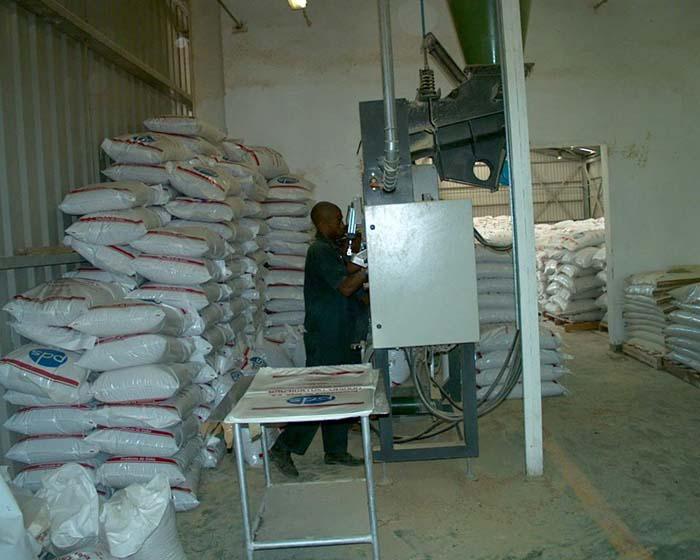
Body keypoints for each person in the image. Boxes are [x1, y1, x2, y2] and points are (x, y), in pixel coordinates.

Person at [269, 201, 369, 477]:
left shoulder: (332, 250)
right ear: (323, 223)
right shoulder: (319, 251)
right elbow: (346, 287)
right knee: (319, 394)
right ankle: (283, 447)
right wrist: (369, 265)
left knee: (343, 390)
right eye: (337, 220)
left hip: (343, 332)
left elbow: (350, 274)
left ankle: (335, 451)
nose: (341, 225)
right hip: (326, 335)